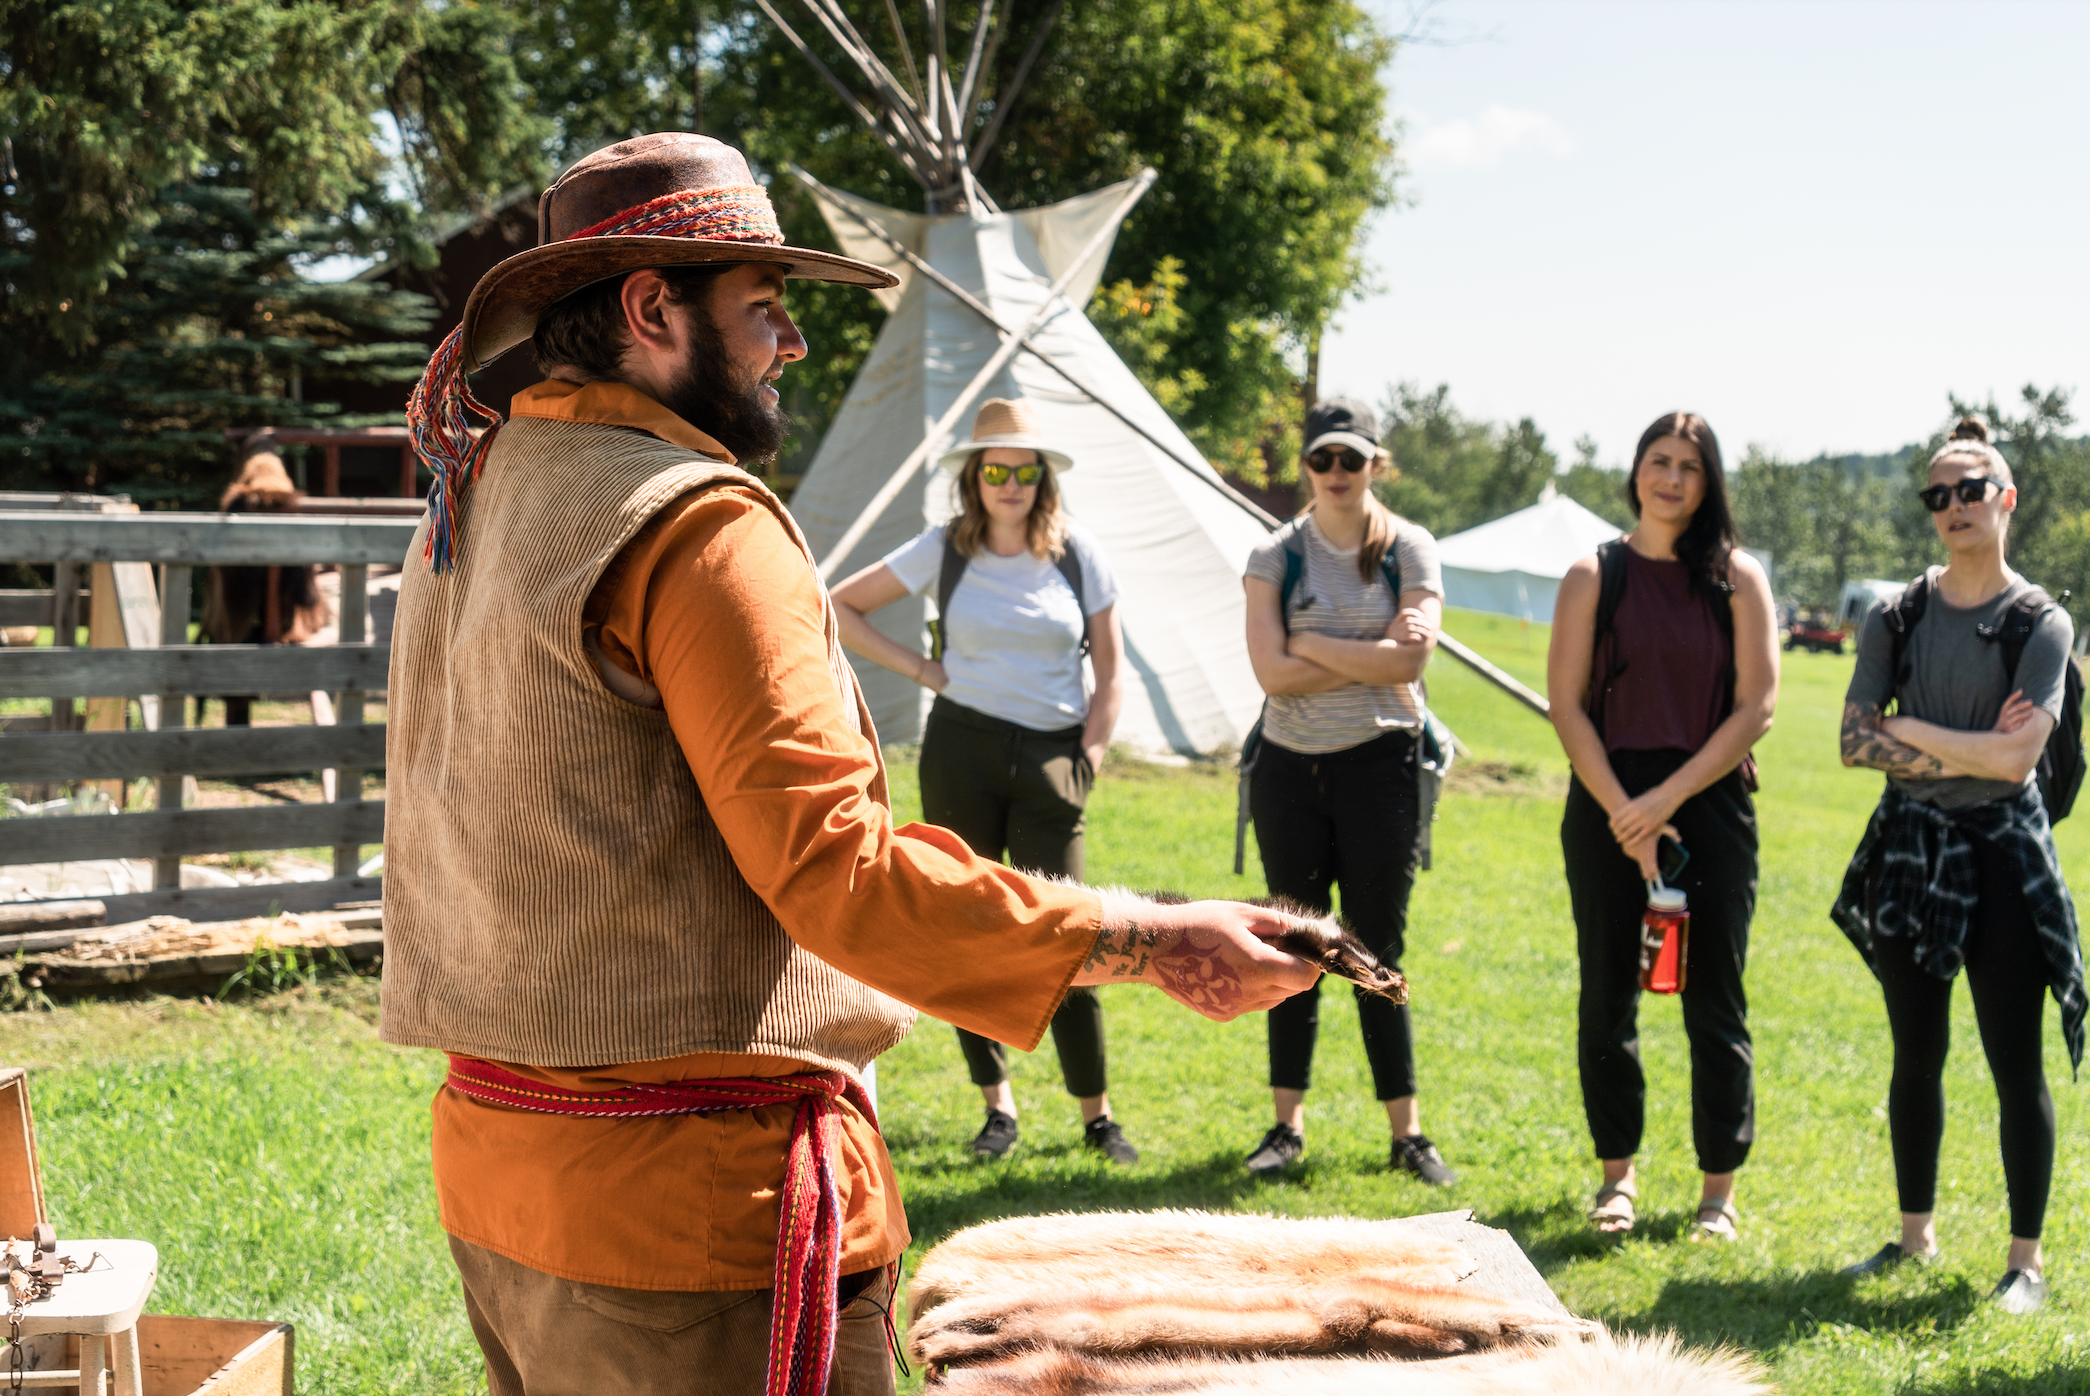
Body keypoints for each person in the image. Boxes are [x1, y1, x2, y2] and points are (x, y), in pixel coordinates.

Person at [379, 132, 1321, 1396]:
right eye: (763, 308)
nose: (793, 343)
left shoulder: (477, 493)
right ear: (653, 308)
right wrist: (1143, 936)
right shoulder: (693, 521)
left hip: (505, 1189)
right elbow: (839, 874)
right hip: (689, 1226)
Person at [831, 397, 1135, 1165]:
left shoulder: (1078, 553)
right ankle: (997, 1108)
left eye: (1023, 471)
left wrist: (1089, 758)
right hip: (961, 744)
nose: (1009, 483)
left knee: (1071, 930)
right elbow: (841, 604)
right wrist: (927, 670)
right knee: (969, 924)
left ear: (1042, 480)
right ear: (975, 478)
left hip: (1053, 756)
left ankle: (1096, 1114)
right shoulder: (945, 548)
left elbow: (1111, 670)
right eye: (994, 469)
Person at [1831, 417, 2084, 1315]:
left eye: (1969, 488)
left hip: (2006, 860)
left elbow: (2019, 765)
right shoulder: (1895, 614)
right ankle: (1914, 1237)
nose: (1953, 506)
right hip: (1911, 852)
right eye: (1937, 493)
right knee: (1916, 1055)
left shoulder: (2039, 622)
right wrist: (1969, 745)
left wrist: (1909, 729)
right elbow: (1852, 743)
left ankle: (2025, 1263)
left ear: (2005, 499)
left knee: (2016, 1062)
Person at [1545, 412, 1777, 1242]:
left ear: (1709, 481)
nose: (1672, 478)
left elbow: (1759, 707)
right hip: (1607, 799)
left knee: (1715, 999)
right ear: (1636, 470)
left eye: (1689, 465)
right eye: (1658, 461)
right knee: (1607, 996)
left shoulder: (1738, 578)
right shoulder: (1591, 574)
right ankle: (1618, 1178)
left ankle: (1718, 1190)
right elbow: (1565, 706)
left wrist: (1664, 803)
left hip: (1708, 802)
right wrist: (1622, 810)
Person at [1238, 398, 1455, 1185]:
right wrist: (1371, 647)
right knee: (1293, 944)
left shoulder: (1411, 547)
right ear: (1307, 467)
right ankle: (1285, 1128)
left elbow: (1410, 666)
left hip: (1382, 767)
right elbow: (1270, 674)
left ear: (1376, 465)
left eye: (1351, 460)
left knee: (1373, 948)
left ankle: (1408, 1134)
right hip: (1289, 770)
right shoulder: (1275, 553)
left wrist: (1312, 643)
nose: (1335, 474)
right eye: (1322, 460)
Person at [199, 439, 331, 726]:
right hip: (239, 605)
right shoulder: (250, 508)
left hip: (273, 610)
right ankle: (237, 720)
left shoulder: (249, 506)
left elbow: (305, 594)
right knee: (233, 635)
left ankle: (236, 722)